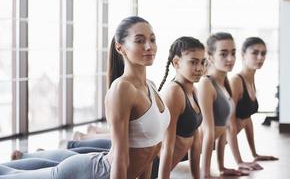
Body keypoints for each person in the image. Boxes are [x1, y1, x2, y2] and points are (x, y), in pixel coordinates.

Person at [0, 16, 170, 179]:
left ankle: (23, 156)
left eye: (152, 40)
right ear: (120, 48)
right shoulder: (123, 89)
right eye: (139, 40)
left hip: (99, 166)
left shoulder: (151, 86)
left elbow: (150, 151)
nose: (149, 46)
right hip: (93, 173)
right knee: (13, 176)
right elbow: (120, 156)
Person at [197, 32, 247, 178]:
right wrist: (205, 174)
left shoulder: (224, 83)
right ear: (210, 57)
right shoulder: (206, 83)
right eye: (223, 54)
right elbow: (208, 131)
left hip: (200, 150)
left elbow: (223, 129)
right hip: (182, 153)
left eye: (233, 53)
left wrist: (221, 167)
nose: (230, 59)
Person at [224, 37, 278, 166]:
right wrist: (239, 162)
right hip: (205, 143)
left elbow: (247, 119)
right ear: (243, 54)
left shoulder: (250, 81)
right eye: (255, 53)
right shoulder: (236, 81)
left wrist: (255, 154)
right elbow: (230, 125)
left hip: (217, 143)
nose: (260, 57)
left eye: (263, 53)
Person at [156, 36, 205, 179]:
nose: (200, 68)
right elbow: (166, 146)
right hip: (152, 168)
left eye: (203, 62)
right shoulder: (174, 92)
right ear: (176, 63)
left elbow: (196, 144)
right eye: (193, 62)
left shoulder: (194, 91)